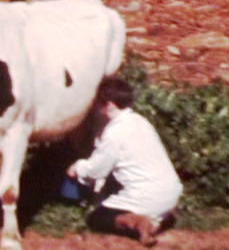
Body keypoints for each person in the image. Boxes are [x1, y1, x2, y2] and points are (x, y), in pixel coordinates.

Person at [66, 77, 183, 246]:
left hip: (148, 196)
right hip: (171, 192)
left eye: (99, 104)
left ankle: (136, 223)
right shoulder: (141, 122)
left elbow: (97, 169)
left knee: (97, 218)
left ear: (110, 105)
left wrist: (77, 167)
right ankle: (157, 222)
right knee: (148, 203)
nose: (98, 109)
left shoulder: (115, 132)